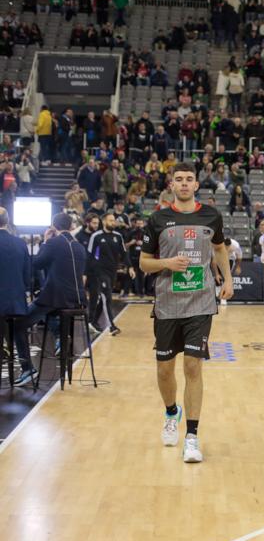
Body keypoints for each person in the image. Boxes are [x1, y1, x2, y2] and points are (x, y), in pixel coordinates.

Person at [140, 163, 234, 464]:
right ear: (171, 184)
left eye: (188, 179)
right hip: (167, 304)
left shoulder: (211, 216)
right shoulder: (157, 219)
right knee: (165, 369)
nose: (183, 184)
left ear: (196, 185)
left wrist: (227, 279)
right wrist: (166, 263)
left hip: (201, 303)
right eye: (178, 179)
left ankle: (192, 437)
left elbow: (219, 249)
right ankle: (171, 412)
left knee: (193, 367)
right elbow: (144, 262)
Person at [13, 213, 88, 387]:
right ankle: (59, 338)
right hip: (77, 299)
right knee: (49, 311)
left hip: (56, 297)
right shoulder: (80, 247)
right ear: (70, 226)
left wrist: (45, 242)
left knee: (18, 325)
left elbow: (37, 264)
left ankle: (27, 368)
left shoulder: (53, 243)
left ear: (54, 226)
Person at [87, 212, 133, 335]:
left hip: (112, 272)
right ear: (104, 221)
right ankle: (111, 326)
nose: (113, 222)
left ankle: (92, 321)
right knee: (107, 297)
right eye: (111, 220)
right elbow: (90, 256)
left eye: (114, 220)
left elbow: (124, 253)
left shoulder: (118, 236)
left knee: (104, 298)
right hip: (99, 272)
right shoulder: (96, 236)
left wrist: (130, 267)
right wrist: (86, 274)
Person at [0, 207, 31, 381]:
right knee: (19, 331)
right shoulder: (20, 243)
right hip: (16, 301)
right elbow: (27, 275)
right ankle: (27, 367)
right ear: (8, 221)